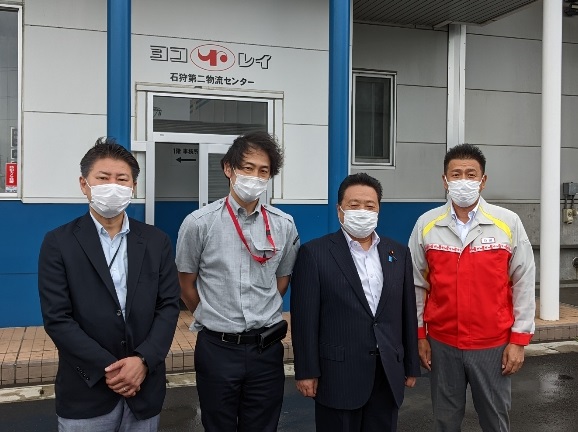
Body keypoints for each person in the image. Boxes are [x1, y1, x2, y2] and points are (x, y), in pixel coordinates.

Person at [38, 138, 181, 432]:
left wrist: (143, 361)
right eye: (103, 178)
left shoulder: (156, 241)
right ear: (84, 184)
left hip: (144, 388)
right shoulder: (59, 242)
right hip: (86, 391)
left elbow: (168, 306)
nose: (112, 186)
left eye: (122, 179)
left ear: (134, 186)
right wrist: (111, 369)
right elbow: (57, 318)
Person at [176, 130, 300, 432]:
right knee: (218, 425)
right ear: (228, 169)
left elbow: (282, 280)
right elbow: (186, 283)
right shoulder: (199, 223)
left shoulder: (284, 225)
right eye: (247, 168)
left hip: (266, 350)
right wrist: (211, 314)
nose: (255, 177)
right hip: (217, 349)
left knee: (263, 426)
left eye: (263, 171)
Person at [408, 144, 536, 432]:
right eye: (456, 174)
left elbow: (524, 281)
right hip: (442, 344)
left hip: (493, 345)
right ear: (445, 180)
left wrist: (518, 340)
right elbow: (416, 283)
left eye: (470, 174)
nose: (463, 180)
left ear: (483, 180)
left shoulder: (507, 223)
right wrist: (419, 336)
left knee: (495, 420)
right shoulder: (427, 224)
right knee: (445, 420)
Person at [291, 173, 421, 432]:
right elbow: (305, 319)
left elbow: (407, 312)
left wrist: (410, 365)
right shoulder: (314, 253)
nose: (362, 211)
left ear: (379, 210)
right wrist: (306, 371)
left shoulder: (398, 253)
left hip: (387, 373)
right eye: (354, 205)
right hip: (338, 375)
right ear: (339, 210)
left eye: (370, 205)